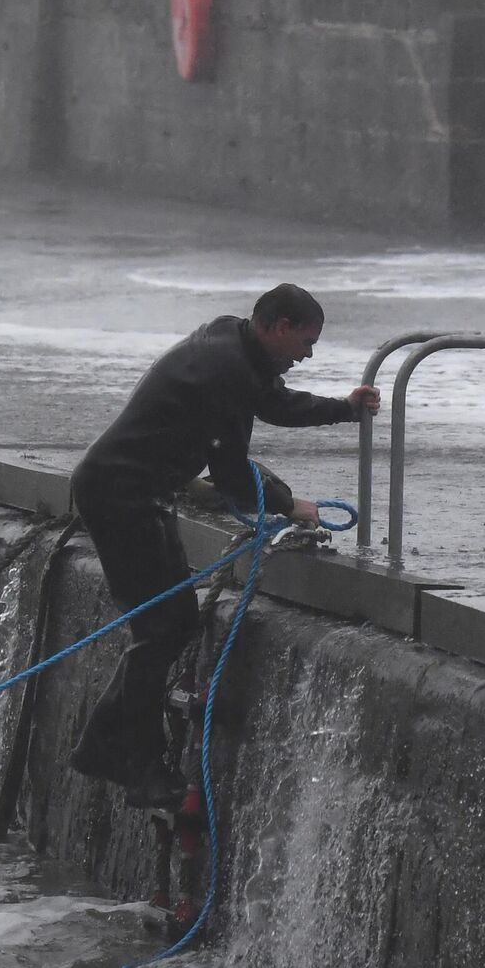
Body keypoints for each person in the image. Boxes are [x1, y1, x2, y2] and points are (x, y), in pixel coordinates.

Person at [68, 283, 380, 808]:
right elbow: (232, 471)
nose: (309, 352)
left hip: (137, 492)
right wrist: (289, 505)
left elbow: (272, 404)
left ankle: (104, 744)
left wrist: (344, 409)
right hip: (122, 496)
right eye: (307, 341)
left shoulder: (232, 346)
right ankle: (134, 764)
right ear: (279, 327)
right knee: (163, 626)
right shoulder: (225, 368)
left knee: (169, 624)